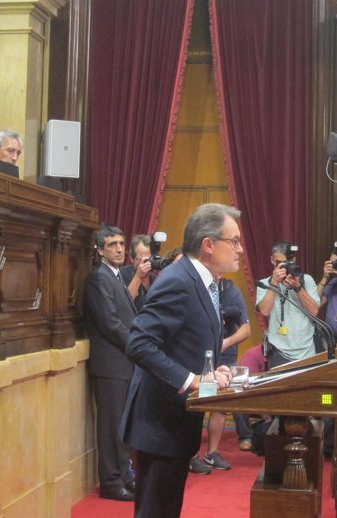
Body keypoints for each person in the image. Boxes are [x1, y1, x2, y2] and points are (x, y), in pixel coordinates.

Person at [120, 203, 241, 518]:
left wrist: (213, 373)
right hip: (158, 425)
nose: (240, 249)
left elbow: (186, 342)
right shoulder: (180, 280)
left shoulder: (204, 282)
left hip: (175, 425)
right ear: (209, 244)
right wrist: (193, 381)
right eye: (235, 241)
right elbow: (139, 343)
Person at [83, 225, 137, 501]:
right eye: (112, 244)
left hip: (123, 364)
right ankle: (112, 483)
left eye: (121, 243)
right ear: (100, 250)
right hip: (110, 366)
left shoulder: (115, 276)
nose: (119, 249)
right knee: (111, 427)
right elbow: (110, 323)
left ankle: (126, 477)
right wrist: (138, 345)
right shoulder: (99, 277)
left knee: (123, 427)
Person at [189, 276, 252, 474]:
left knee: (219, 406)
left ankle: (212, 452)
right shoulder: (194, 285)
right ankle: (190, 454)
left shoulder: (231, 290)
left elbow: (246, 329)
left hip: (225, 354)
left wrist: (225, 342)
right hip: (197, 354)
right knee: (196, 403)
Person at [256, 242, 320, 369]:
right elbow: (264, 311)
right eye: (279, 262)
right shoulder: (264, 283)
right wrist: (274, 283)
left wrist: (298, 287)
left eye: (286, 263)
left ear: (293, 260)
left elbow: (314, 311)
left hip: (307, 351)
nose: (283, 267)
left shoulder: (306, 280)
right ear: (272, 260)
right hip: (278, 351)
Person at [120, 234, 153, 309]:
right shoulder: (121, 275)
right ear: (132, 258)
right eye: (143, 260)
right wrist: (138, 276)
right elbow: (123, 306)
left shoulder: (156, 279)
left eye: (150, 259)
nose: (147, 263)